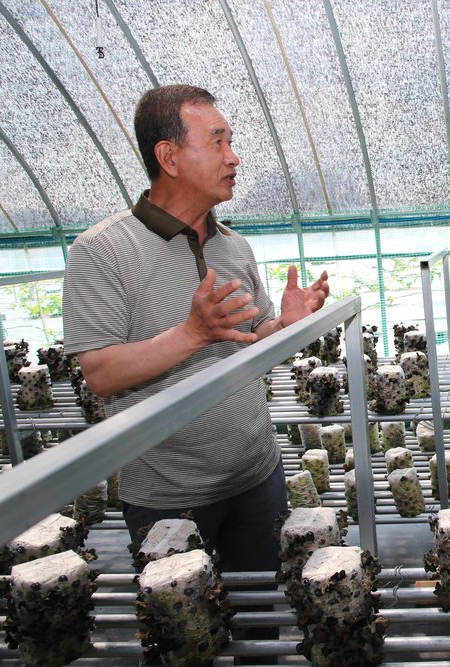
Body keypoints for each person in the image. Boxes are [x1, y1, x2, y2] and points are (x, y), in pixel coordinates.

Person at [63, 85, 329, 660]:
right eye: (218, 140)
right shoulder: (101, 251)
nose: (234, 156)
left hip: (257, 476)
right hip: (167, 492)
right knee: (185, 640)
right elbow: (101, 372)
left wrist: (283, 326)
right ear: (170, 156)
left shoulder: (235, 248)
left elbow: (248, 343)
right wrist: (191, 332)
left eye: (232, 140)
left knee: (261, 621)